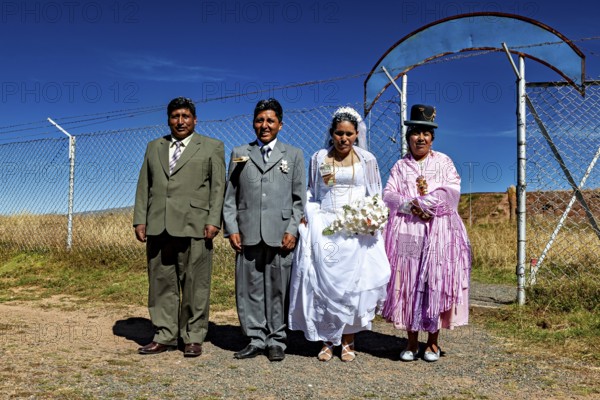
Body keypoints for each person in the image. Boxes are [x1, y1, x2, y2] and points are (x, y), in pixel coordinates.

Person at [288, 106, 391, 362]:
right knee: (322, 285)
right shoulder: (319, 158)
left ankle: (348, 339)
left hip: (356, 230)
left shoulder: (367, 159)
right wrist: (309, 215)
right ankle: (326, 340)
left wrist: (371, 217)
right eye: (339, 133)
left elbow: (374, 194)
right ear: (331, 133)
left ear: (357, 134)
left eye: (348, 134)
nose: (343, 139)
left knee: (353, 287)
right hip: (326, 226)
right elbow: (313, 192)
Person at [133, 97, 226, 357]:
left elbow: (219, 187)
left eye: (185, 116)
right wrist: (140, 218)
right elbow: (144, 185)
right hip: (158, 225)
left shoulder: (211, 147)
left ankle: (193, 336)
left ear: (195, 120)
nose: (180, 121)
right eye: (175, 116)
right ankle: (165, 334)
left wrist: (213, 220)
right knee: (161, 283)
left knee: (196, 284)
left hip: (195, 225)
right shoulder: (154, 147)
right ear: (168, 119)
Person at [381, 104, 471, 362]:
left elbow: (451, 194)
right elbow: (389, 195)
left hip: (439, 234)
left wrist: (424, 205)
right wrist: (411, 206)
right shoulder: (400, 167)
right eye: (415, 133)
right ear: (408, 136)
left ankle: (432, 342)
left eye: (426, 133)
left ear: (432, 138)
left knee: (434, 281)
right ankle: (411, 342)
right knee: (409, 281)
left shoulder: (444, 162)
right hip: (409, 233)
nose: (420, 138)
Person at [222, 98, 306, 362]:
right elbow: (230, 196)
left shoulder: (293, 155)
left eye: (270, 120)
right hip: (247, 232)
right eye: (260, 120)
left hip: (280, 234)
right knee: (250, 287)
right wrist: (232, 227)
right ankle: (255, 338)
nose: (264, 125)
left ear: (280, 124)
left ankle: (277, 339)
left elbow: (299, 199)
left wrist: (292, 230)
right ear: (253, 123)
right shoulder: (240, 152)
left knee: (279, 287)